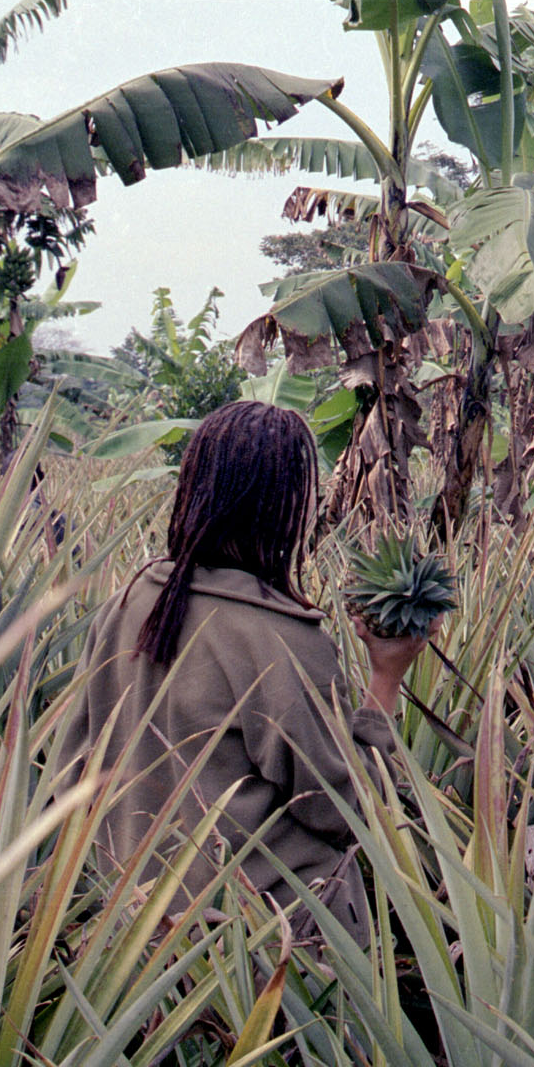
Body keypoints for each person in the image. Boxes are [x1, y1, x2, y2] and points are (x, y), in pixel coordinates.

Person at [69, 400, 433, 947]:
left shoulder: (126, 607)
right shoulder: (281, 640)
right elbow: (350, 809)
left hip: (133, 933)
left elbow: (73, 772)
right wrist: (386, 679)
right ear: (285, 508)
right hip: (271, 944)